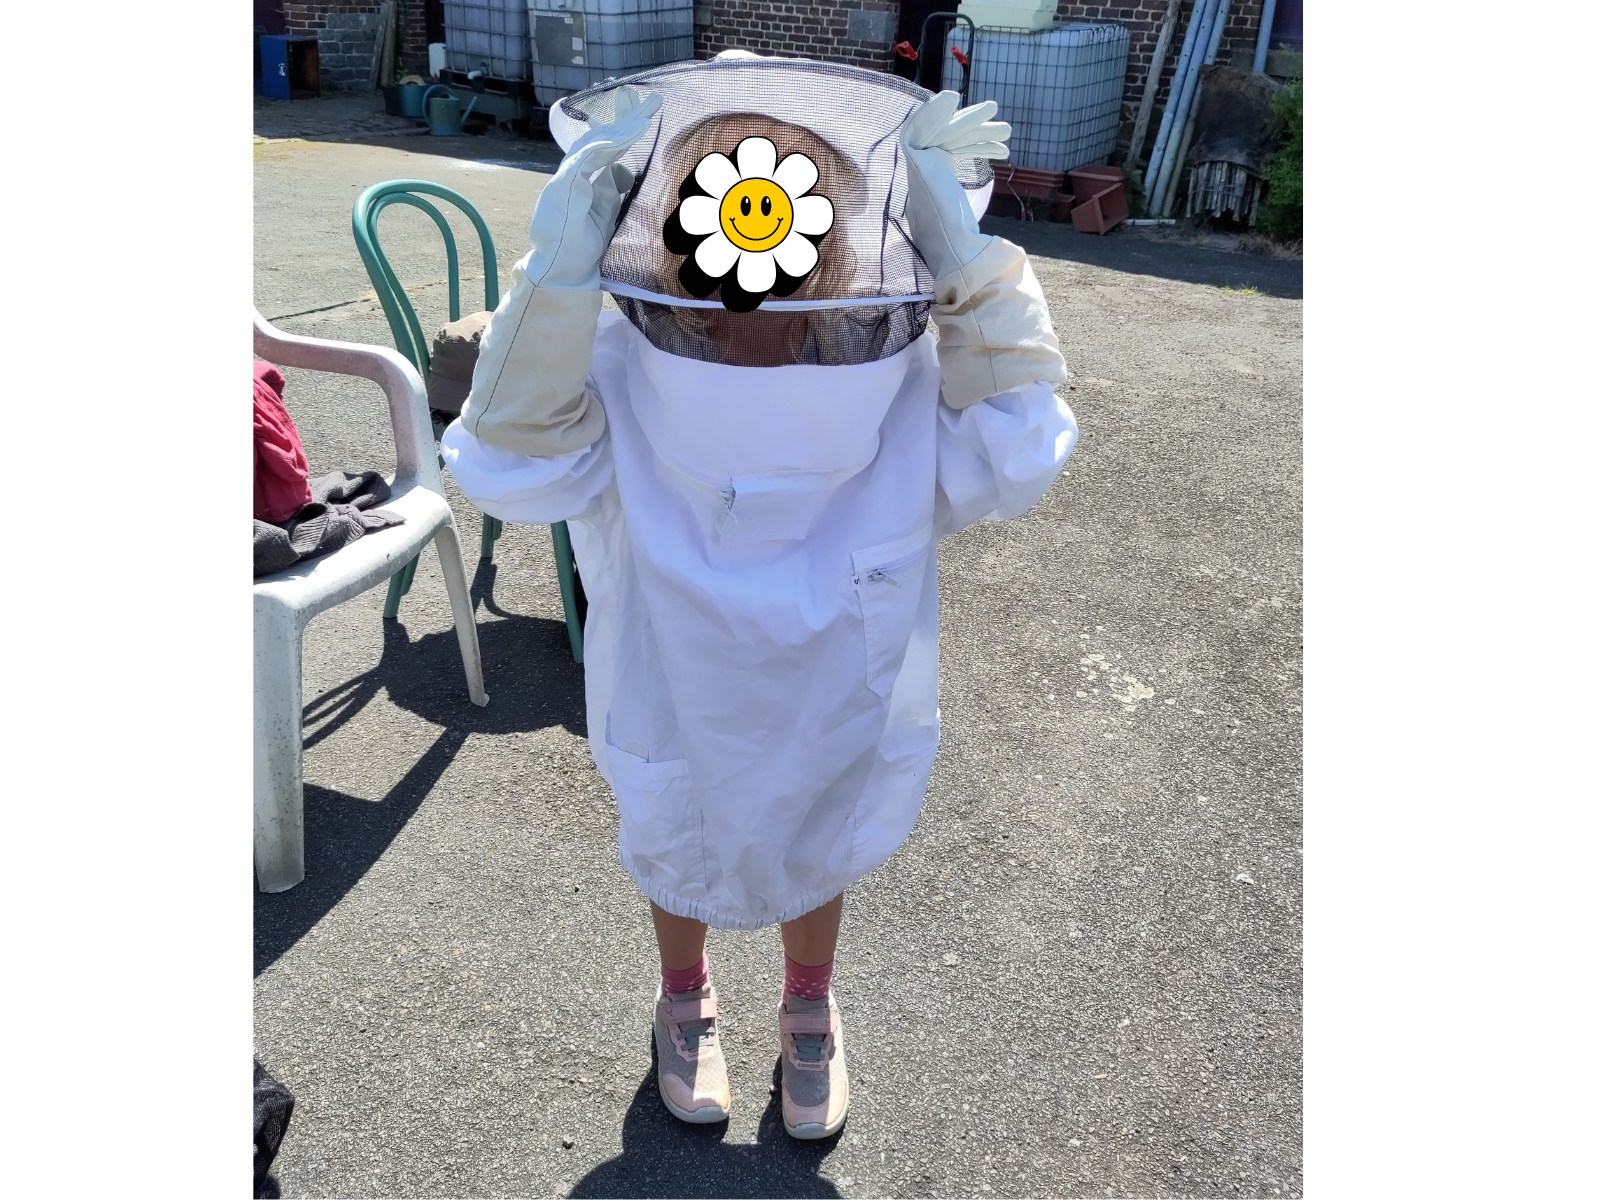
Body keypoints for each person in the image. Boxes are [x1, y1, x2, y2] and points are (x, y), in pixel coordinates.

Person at [440, 54, 1077, 1140]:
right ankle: (683, 998)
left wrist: (973, 267)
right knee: (675, 819)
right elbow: (504, 463)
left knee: (816, 821)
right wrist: (554, 277)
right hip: (672, 678)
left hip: (835, 683)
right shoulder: (621, 358)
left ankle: (808, 1007)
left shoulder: (902, 373)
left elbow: (1020, 448)